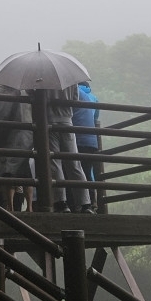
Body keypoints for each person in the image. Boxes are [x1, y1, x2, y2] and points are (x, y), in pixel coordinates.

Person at [43, 84, 92, 213]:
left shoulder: (43, 78)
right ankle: (85, 203)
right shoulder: (71, 80)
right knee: (74, 163)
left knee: (55, 163)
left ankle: (61, 202)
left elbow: (33, 96)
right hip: (67, 122)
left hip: (49, 121)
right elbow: (75, 100)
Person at [72, 81, 101, 212]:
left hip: (77, 139)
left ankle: (78, 204)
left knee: (75, 170)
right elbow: (95, 118)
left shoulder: (74, 92)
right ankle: (93, 203)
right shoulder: (93, 97)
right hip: (92, 140)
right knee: (88, 171)